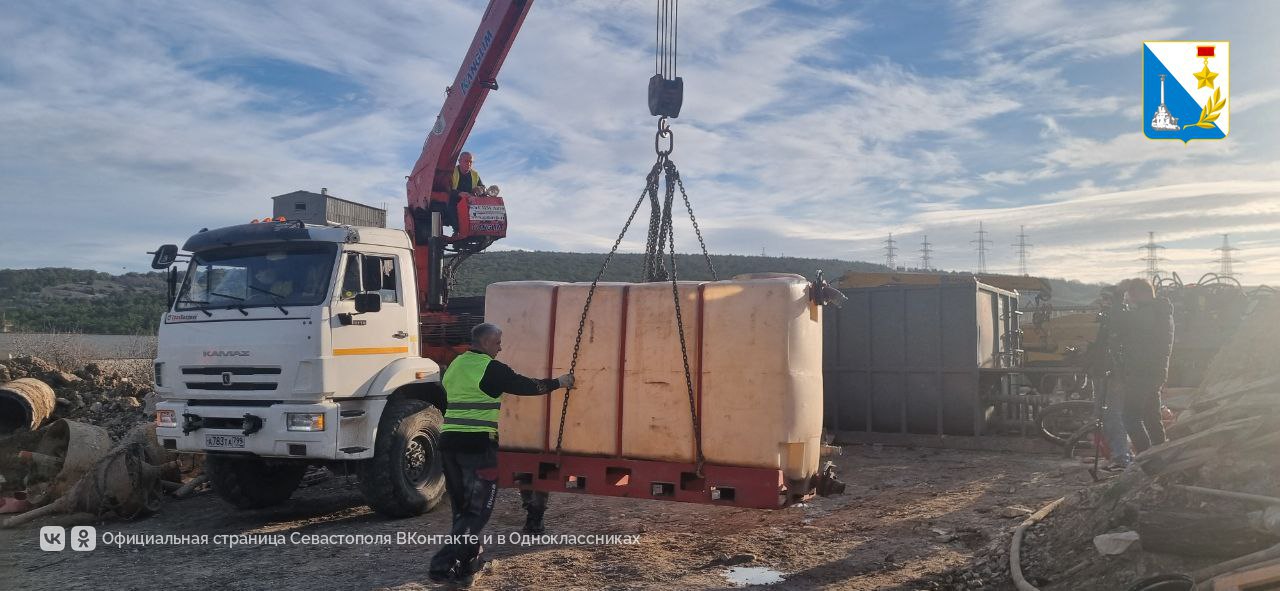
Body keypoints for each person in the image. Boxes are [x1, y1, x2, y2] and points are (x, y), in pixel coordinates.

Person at [428, 323, 573, 587]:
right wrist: (559, 382)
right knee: (479, 510)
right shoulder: (490, 368)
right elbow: (528, 386)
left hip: (449, 444)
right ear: (485, 343)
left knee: (462, 510)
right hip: (478, 446)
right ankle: (442, 562)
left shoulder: (455, 365)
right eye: (497, 343)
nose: (501, 347)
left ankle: (467, 566)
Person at [1103, 278, 1174, 469]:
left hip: (1141, 372)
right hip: (1154, 371)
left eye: (1132, 294)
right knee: (1151, 416)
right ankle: (1161, 457)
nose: (1130, 299)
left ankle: (1148, 460)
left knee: (1130, 416)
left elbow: (1120, 323)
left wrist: (1117, 297)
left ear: (1141, 293)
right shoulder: (1160, 311)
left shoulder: (1148, 314)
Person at [446, 151, 483, 232]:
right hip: (454, 200)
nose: (469, 164)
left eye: (471, 162)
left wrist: (479, 189)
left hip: (470, 201)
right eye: (466, 161)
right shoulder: (452, 172)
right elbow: (446, 189)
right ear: (459, 161)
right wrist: (459, 193)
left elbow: (482, 187)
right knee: (451, 205)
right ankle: (458, 229)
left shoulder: (475, 174)